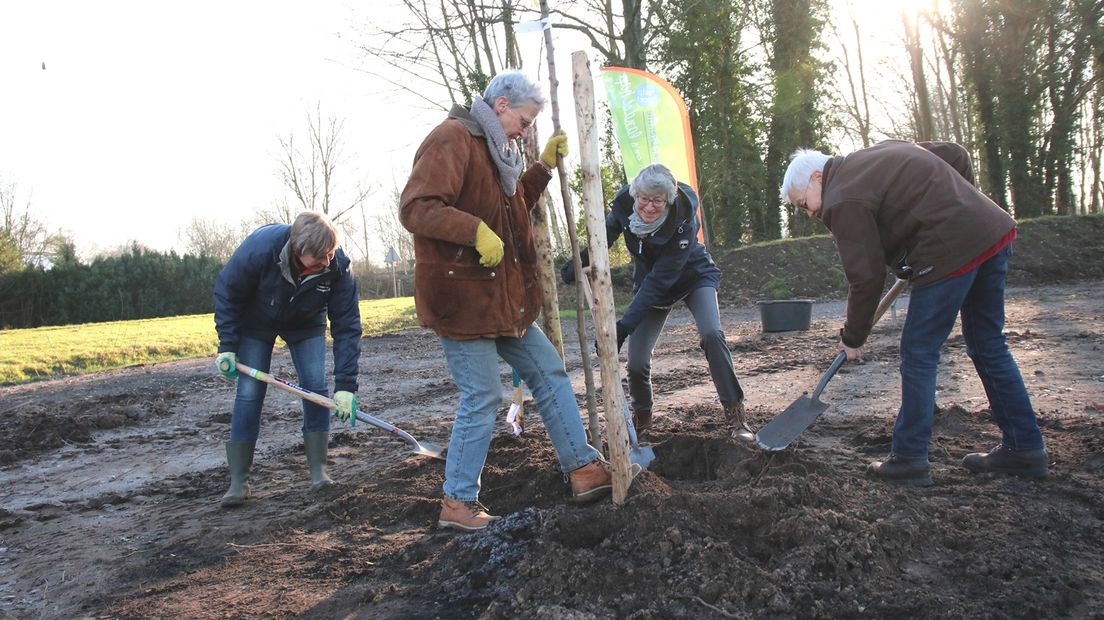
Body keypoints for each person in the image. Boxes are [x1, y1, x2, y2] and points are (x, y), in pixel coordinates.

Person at [400, 70, 629, 532]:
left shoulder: (499, 151)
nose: (526, 132)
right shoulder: (453, 138)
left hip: (504, 300)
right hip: (464, 299)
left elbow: (511, 205)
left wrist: (541, 169)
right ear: (500, 105)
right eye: (524, 121)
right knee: (484, 395)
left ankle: (584, 470)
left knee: (548, 370)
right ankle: (458, 504)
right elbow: (416, 206)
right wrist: (473, 231)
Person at [779, 139, 1047, 486]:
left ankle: (909, 459)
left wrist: (853, 337)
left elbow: (866, 277)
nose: (811, 214)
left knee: (918, 353)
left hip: (949, 250)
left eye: (805, 204)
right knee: (988, 345)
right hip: (990, 230)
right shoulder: (877, 154)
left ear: (818, 176)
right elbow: (955, 155)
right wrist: (958, 208)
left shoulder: (841, 197)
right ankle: (1025, 448)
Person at [562, 164, 752, 441]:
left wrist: (623, 327)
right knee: (637, 362)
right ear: (635, 194)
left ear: (669, 200)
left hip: (692, 277)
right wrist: (579, 261)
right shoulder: (625, 204)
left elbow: (661, 279)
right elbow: (605, 235)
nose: (649, 207)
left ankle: (736, 416)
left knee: (712, 334)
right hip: (651, 281)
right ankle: (642, 421)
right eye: (644, 199)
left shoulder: (684, 218)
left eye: (658, 201)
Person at [212, 211, 362, 507]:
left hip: (306, 323)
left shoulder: (338, 266)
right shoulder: (261, 248)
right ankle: (239, 482)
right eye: (319, 257)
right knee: (249, 392)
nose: (327, 262)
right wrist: (227, 344)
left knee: (315, 387)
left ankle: (319, 472)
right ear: (298, 249)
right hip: (256, 321)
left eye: (330, 253)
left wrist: (346, 385)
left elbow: (347, 324)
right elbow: (227, 291)